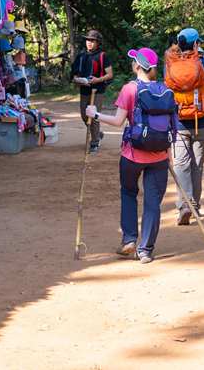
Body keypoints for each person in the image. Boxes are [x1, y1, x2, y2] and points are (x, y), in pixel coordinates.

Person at [85, 48, 171, 264]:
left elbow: (117, 121)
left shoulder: (129, 89)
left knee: (128, 193)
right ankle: (146, 250)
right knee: (153, 203)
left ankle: (130, 240)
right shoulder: (165, 89)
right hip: (160, 155)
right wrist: (169, 154)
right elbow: (171, 125)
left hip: (133, 154)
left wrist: (94, 114)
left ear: (137, 66)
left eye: (134, 61)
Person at [164, 28, 204, 225]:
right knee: (197, 165)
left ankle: (184, 205)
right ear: (196, 44)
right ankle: (194, 206)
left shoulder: (170, 63)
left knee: (181, 164)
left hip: (178, 120)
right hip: (200, 121)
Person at [71, 29, 113, 154]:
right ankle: (98, 133)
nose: (89, 42)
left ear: (98, 42)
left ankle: (94, 142)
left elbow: (110, 74)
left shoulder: (102, 56)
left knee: (94, 116)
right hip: (84, 89)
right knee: (84, 116)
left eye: (92, 40)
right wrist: (77, 80)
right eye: (88, 40)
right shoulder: (81, 56)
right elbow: (74, 74)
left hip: (97, 90)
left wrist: (97, 80)